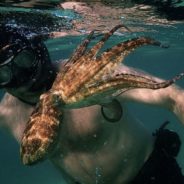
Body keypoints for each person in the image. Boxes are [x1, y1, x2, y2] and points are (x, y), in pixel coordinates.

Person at [0, 25, 184, 184]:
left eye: (24, 60)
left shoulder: (91, 76)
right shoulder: (6, 114)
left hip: (152, 175)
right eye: (3, 74)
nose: (20, 77)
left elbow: (175, 97)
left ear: (38, 50)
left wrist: (107, 101)